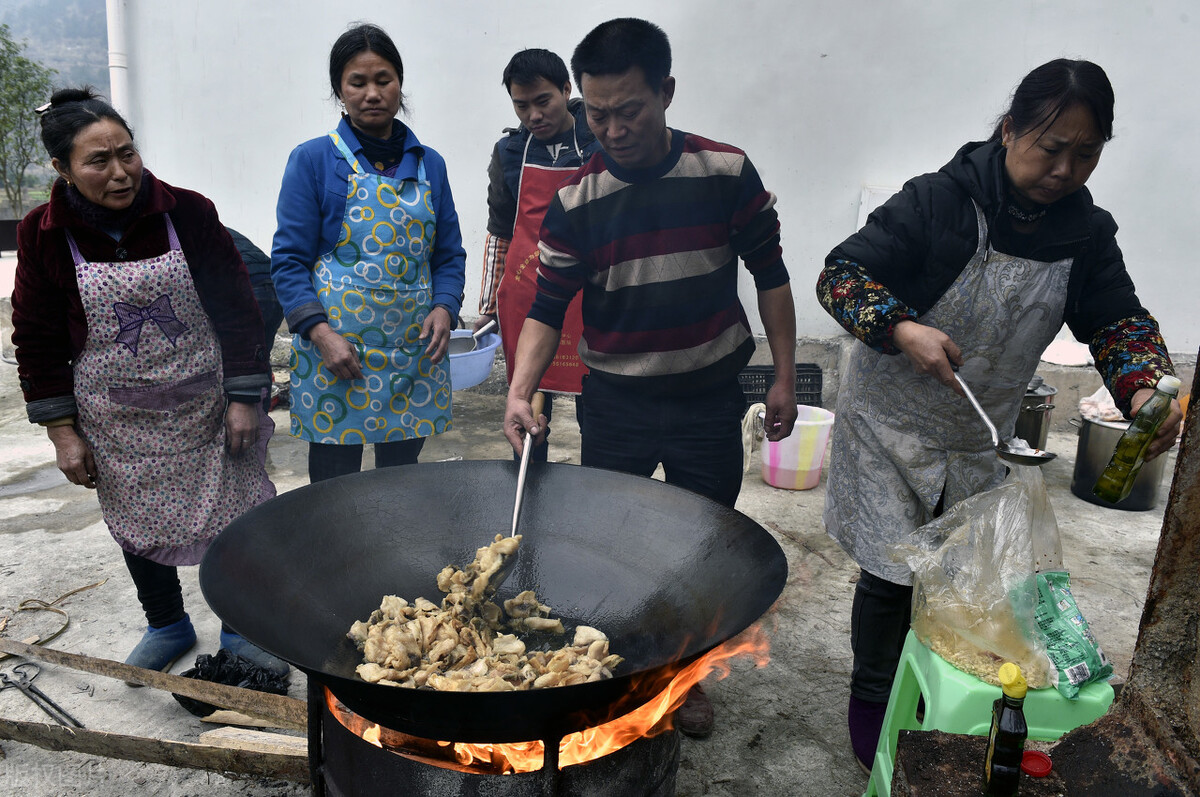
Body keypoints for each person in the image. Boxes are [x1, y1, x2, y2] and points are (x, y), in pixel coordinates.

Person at [815, 59, 1183, 772]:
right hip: (891, 421)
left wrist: (1141, 387)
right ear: (1011, 128)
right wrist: (900, 327)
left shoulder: (1084, 232)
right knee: (892, 572)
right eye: (1051, 148)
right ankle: (870, 696)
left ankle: (925, 689)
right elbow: (842, 275)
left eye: (1086, 154)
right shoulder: (938, 202)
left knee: (959, 575)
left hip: (979, 427)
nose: (1065, 169)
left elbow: (1118, 322)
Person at [502, 18, 799, 737]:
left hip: (706, 398)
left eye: (628, 110)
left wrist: (784, 373)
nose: (612, 128)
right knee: (612, 544)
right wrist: (519, 388)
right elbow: (547, 306)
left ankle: (685, 677)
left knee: (700, 546)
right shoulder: (576, 199)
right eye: (595, 113)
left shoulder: (724, 172)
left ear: (666, 92)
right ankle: (623, 668)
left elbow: (771, 275)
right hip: (617, 402)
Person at [12, 87, 286, 677]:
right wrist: (62, 432)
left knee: (234, 516)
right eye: (98, 161)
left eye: (128, 154)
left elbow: (240, 308)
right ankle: (166, 621)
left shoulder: (186, 212)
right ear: (62, 169)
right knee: (138, 520)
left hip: (206, 405)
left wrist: (244, 398)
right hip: (116, 418)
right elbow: (35, 335)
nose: (120, 172)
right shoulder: (42, 232)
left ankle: (240, 626)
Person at [271, 23, 467, 483]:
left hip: (413, 357)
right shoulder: (314, 160)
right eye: (357, 83)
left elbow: (448, 255)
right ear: (340, 90)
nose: (372, 93)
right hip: (338, 356)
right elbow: (289, 261)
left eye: (384, 79)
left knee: (400, 480)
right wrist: (320, 335)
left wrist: (445, 306)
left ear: (400, 82)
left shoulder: (430, 164)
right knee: (335, 486)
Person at [476, 48, 601, 462]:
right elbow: (499, 231)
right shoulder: (509, 153)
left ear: (567, 90)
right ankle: (531, 493)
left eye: (543, 101)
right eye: (521, 105)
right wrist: (489, 303)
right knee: (528, 409)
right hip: (530, 296)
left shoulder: (599, 135)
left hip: (594, 293)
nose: (533, 115)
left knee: (596, 407)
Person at [226, 226, 285, 410]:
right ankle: (260, 423)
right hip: (273, 286)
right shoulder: (209, 223)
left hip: (246, 286)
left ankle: (242, 427)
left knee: (233, 364)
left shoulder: (186, 227)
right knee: (259, 359)